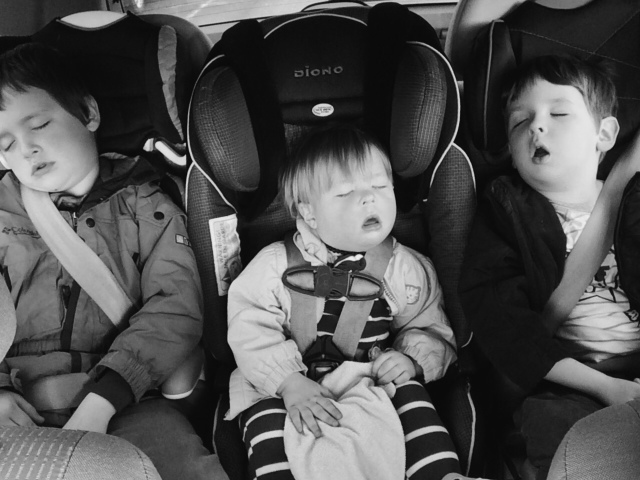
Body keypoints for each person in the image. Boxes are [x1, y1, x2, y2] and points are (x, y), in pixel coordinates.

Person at [0, 43, 228, 480]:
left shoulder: (148, 204)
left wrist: (104, 399)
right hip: (17, 405)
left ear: (88, 113)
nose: (26, 149)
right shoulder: (4, 211)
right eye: (6, 144)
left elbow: (176, 306)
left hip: (128, 399)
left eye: (39, 125)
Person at [226, 124, 481, 480]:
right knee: (266, 420)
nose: (369, 199)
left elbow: (429, 324)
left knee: (409, 394)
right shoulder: (274, 266)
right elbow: (248, 326)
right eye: (346, 192)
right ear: (309, 214)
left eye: (380, 186)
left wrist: (411, 359)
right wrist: (287, 381)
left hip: (368, 378)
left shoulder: (403, 269)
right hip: (285, 386)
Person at [459, 54, 640, 479]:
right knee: (560, 430)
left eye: (558, 113)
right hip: (567, 381)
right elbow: (504, 323)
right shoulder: (505, 213)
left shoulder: (632, 201)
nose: (537, 126)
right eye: (520, 121)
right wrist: (606, 388)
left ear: (604, 135)